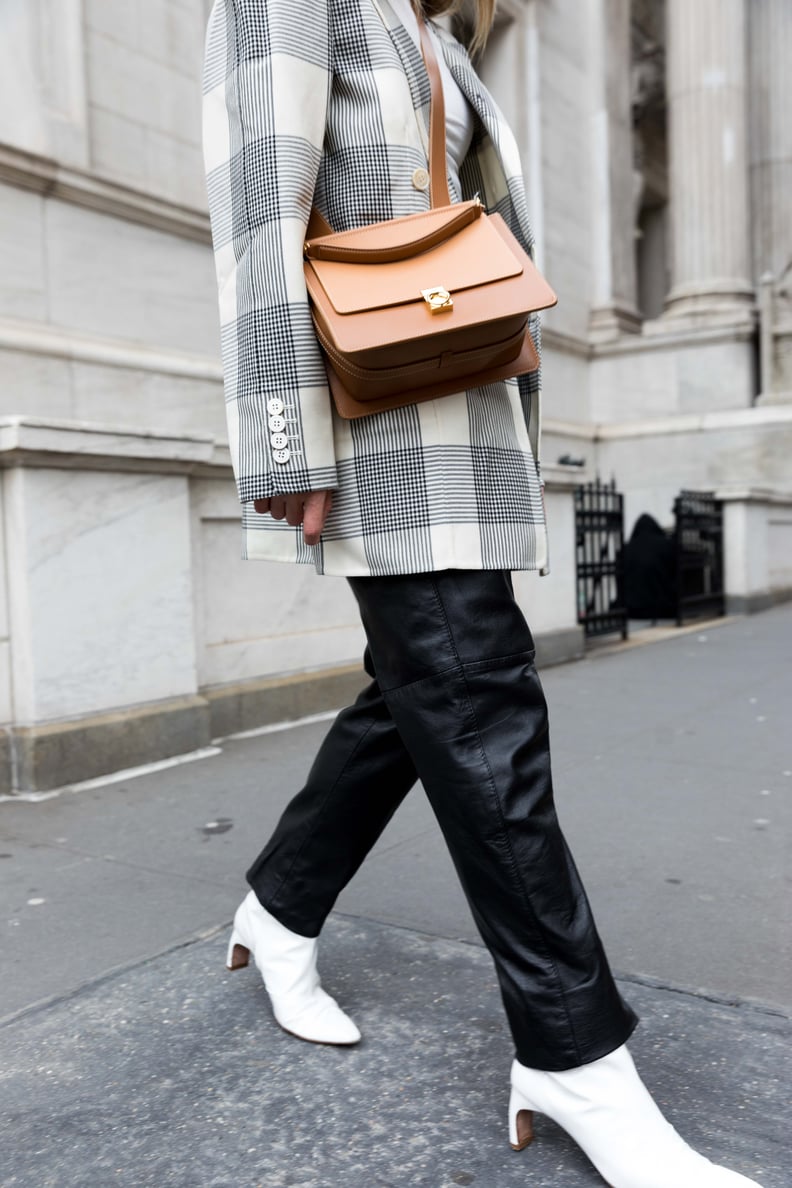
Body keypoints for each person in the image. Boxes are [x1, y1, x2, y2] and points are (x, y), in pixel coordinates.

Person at [202, 2, 762, 1184]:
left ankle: (281, 905)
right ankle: (571, 1053)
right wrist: (277, 437)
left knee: (420, 696)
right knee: (480, 702)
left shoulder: (439, 28)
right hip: (377, 419)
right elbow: (262, 205)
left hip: (457, 409)